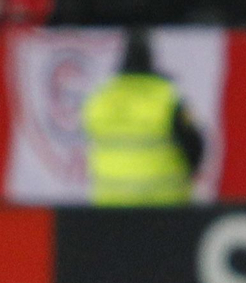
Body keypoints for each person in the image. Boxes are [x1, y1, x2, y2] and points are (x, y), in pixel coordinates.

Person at [81, 31, 205, 206]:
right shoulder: (167, 98)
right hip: (164, 204)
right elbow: (195, 146)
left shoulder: (99, 98)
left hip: (110, 205)